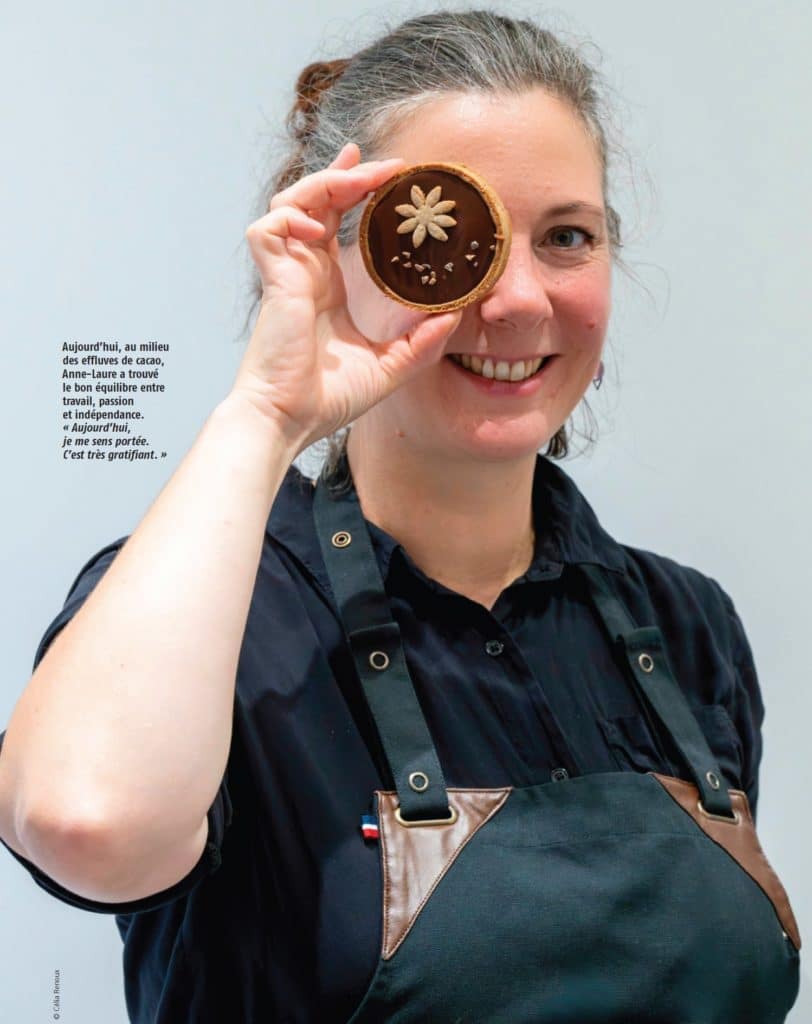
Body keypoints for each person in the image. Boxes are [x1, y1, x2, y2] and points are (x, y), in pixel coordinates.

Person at [0, 8, 801, 1023]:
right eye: (460, 240)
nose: (515, 302)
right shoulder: (219, 615)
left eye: (565, 236)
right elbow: (85, 821)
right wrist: (266, 410)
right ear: (341, 263)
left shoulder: (686, 628)